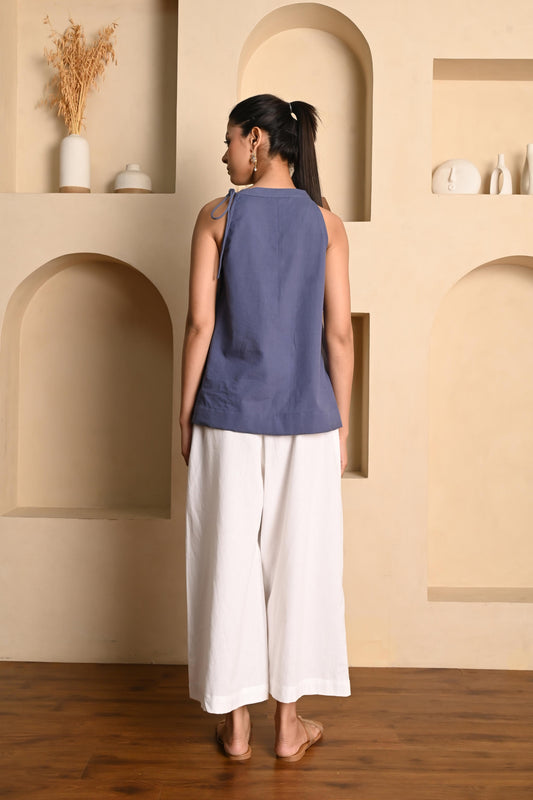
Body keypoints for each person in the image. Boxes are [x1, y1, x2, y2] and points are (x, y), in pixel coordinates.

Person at [180, 94, 353, 762]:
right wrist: (341, 425)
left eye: (228, 140)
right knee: (299, 564)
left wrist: (185, 414)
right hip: (307, 420)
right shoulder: (326, 223)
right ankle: (288, 727)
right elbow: (338, 334)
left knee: (227, 560)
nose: (223, 153)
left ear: (255, 139)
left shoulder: (216, 216)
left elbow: (200, 325)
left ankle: (237, 728)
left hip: (225, 414)